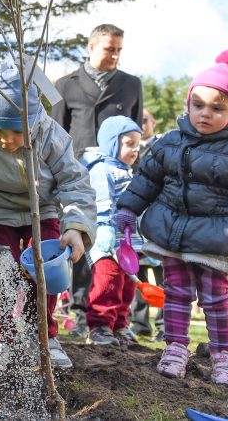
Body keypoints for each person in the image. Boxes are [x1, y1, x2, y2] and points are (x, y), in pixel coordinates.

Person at [115, 50, 228, 386]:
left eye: (218, 108)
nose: (205, 114)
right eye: (198, 104)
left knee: (216, 298)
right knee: (175, 292)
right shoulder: (170, 142)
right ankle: (174, 347)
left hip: (215, 238)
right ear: (188, 103)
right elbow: (146, 179)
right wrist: (128, 209)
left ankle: (224, 355)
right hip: (170, 231)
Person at [0, 57, 97, 371]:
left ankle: (43, 337)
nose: (8, 140)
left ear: (34, 122)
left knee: (47, 273)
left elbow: (74, 181)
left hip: (44, 209)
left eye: (17, 132)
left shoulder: (50, 136)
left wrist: (76, 226)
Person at [51, 24, 143, 338]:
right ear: (91, 47)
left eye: (119, 49)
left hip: (115, 182)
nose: (115, 54)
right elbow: (55, 132)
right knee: (80, 240)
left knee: (115, 251)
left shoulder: (131, 85)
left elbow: (135, 131)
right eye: (109, 48)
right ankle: (78, 313)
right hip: (77, 175)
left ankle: (113, 318)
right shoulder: (65, 85)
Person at [81, 116, 142, 346]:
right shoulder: (103, 169)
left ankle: (119, 325)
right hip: (105, 241)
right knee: (108, 282)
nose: (135, 149)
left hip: (126, 244)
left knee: (127, 285)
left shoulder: (128, 172)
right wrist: (105, 228)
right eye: (129, 143)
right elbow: (102, 201)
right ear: (112, 142)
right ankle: (99, 325)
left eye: (137, 144)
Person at [130, 107, 164, 340]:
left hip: (158, 220)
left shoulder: (162, 148)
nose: (141, 125)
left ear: (153, 123)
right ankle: (140, 323)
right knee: (138, 274)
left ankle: (165, 325)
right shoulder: (127, 149)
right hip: (136, 222)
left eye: (145, 121)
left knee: (164, 275)